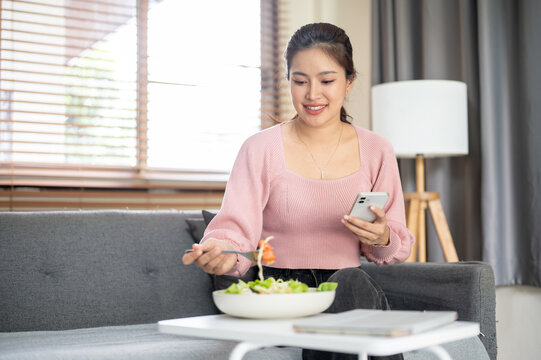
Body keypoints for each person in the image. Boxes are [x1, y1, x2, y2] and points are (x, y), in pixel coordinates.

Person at [183, 22, 415, 360]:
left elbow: (390, 249)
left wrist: (381, 237)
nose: (312, 95)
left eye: (326, 81)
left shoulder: (377, 149)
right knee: (352, 298)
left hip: (347, 290)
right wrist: (218, 252)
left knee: (351, 286)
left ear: (349, 82)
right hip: (280, 294)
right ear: (288, 81)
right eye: (300, 81)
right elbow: (234, 230)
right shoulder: (260, 148)